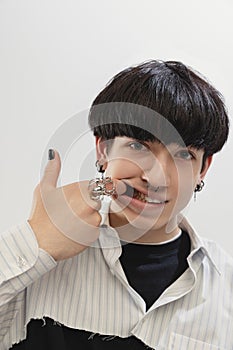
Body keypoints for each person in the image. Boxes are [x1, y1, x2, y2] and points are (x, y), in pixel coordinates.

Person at [0, 60, 232, 350]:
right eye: (137, 146)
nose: (155, 177)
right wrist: (35, 241)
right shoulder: (36, 266)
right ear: (103, 150)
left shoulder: (226, 285)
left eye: (183, 155)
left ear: (203, 168)